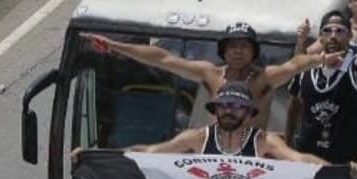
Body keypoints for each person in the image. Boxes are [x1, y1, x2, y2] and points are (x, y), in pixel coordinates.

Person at [84, 22, 338, 128]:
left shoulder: (264, 78)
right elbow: (161, 58)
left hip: (254, 159)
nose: (238, 52)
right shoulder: (210, 74)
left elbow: (295, 65)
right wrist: (116, 46)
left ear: (253, 52)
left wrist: (320, 58)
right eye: (232, 46)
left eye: (244, 46)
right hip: (214, 158)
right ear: (223, 52)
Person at [121, 82, 344, 166]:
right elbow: (150, 152)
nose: (229, 111)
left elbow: (300, 159)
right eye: (224, 105)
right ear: (216, 109)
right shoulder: (196, 138)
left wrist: (337, 172)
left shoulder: (263, 141)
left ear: (248, 113)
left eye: (237, 106)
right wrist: (94, 155)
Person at [286, 11, 357, 173]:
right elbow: (294, 105)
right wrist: (288, 143)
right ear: (320, 37)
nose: (333, 36)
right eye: (327, 31)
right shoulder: (307, 69)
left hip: (350, 168)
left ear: (349, 36)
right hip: (309, 165)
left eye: (339, 31)